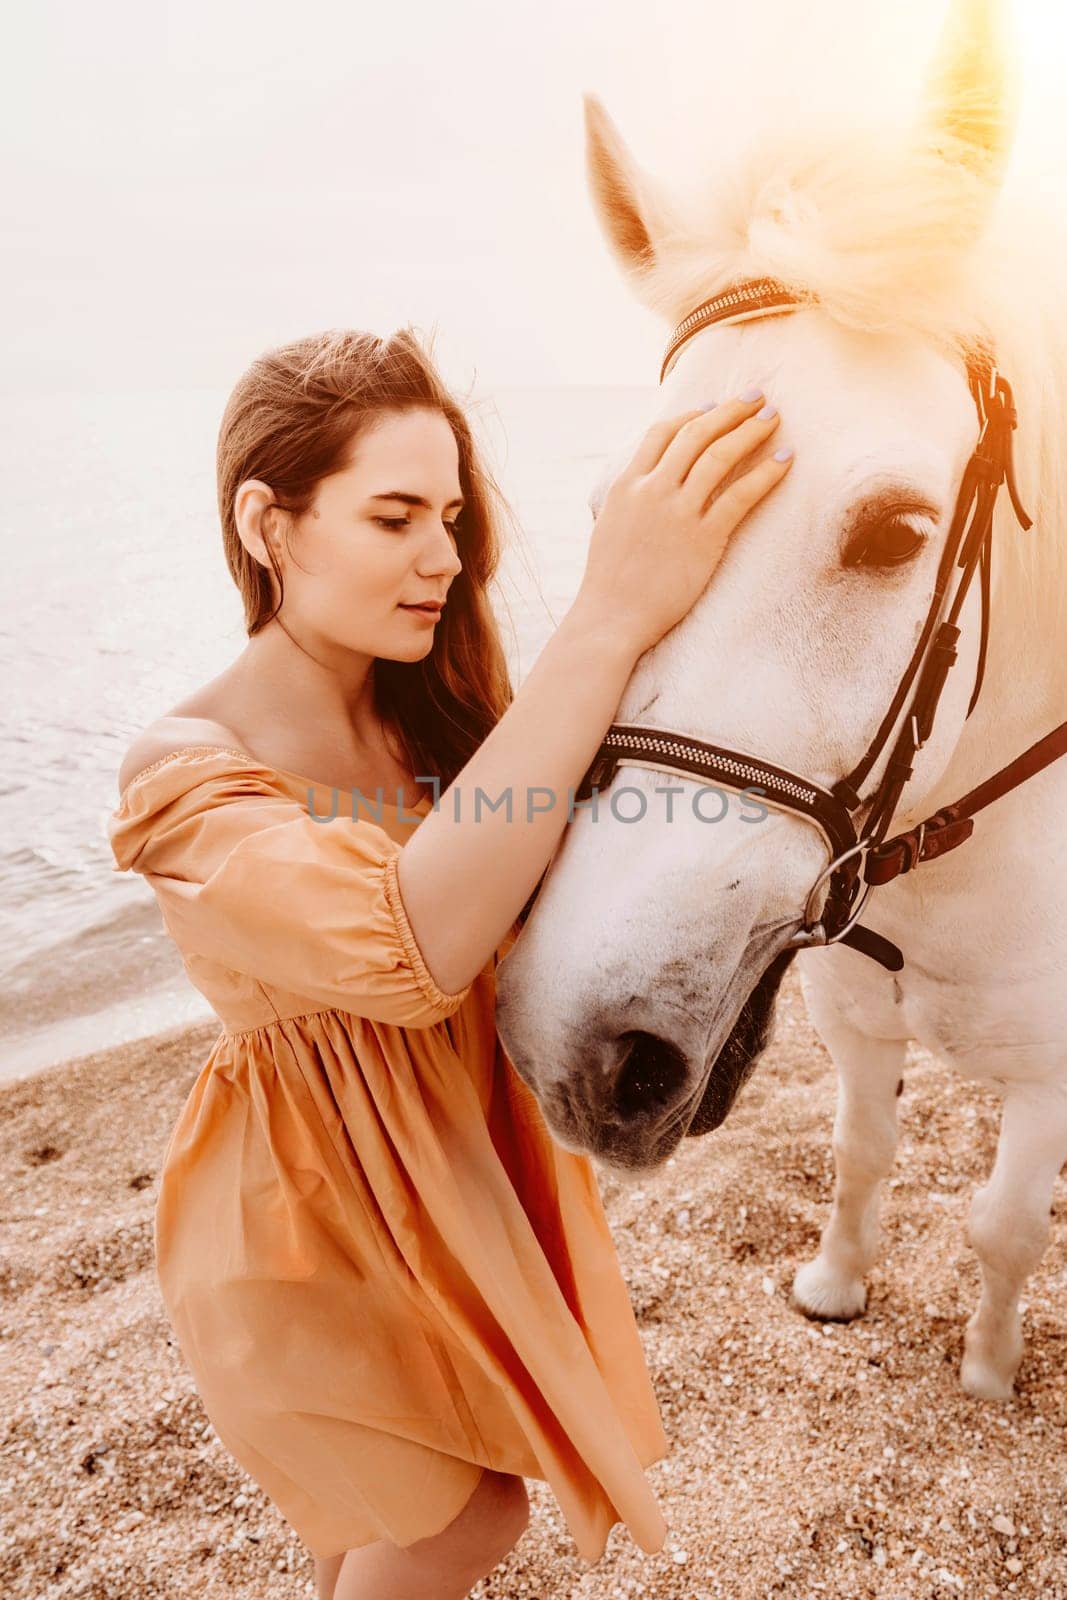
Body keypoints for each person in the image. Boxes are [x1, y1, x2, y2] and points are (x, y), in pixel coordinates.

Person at [108, 327, 793, 1600]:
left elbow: (577, 853)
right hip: (305, 1210)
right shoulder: (182, 769)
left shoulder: (426, 708)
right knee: (463, 1520)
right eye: (394, 515)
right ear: (268, 523)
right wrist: (605, 613)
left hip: (445, 1175)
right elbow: (414, 945)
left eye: (453, 515)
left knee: (367, 1542)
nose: (443, 557)